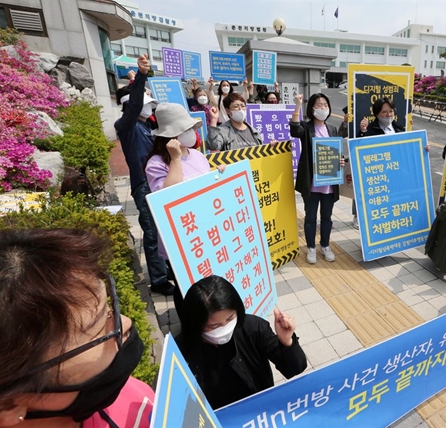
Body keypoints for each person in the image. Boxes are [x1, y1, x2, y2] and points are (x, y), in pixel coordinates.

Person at [0, 228, 154, 427]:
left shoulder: (134, 400)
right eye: (99, 329)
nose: (126, 322)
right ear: (3, 407)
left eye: (110, 307)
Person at [178, 275, 306, 409]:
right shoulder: (182, 348)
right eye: (214, 326)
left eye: (230, 318)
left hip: (259, 409)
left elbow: (295, 368)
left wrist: (286, 341)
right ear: (195, 324)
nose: (224, 327)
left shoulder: (253, 327)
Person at [145, 102, 221, 315]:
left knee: (206, 282)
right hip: (181, 236)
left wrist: (219, 175)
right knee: (185, 286)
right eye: (184, 130)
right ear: (169, 137)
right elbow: (167, 197)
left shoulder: (197, 155)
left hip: (204, 229)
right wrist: (176, 160)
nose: (191, 134)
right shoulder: (156, 163)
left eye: (190, 129)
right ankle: (189, 324)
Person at [114, 54, 173, 296]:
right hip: (144, 187)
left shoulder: (147, 126)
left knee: (163, 229)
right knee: (151, 231)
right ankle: (158, 279)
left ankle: (166, 268)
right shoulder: (125, 126)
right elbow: (136, 104)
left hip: (157, 184)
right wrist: (140, 76)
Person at [290, 93, 348, 264]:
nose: (323, 108)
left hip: (329, 182)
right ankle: (311, 248)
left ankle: (325, 245)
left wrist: (340, 160)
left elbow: (336, 150)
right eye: (319, 105)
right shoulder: (306, 127)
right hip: (312, 182)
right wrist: (298, 105)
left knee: (327, 217)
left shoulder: (332, 128)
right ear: (312, 108)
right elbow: (294, 130)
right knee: (310, 218)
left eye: (325, 105)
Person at [353, 97, 428, 230]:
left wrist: (422, 148)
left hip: (397, 177)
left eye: (391, 111)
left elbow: (407, 150)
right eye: (384, 112)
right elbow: (360, 152)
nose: (388, 115)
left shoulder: (399, 128)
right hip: (380, 178)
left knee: (393, 210)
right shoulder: (370, 130)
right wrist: (363, 132)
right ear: (377, 114)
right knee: (377, 213)